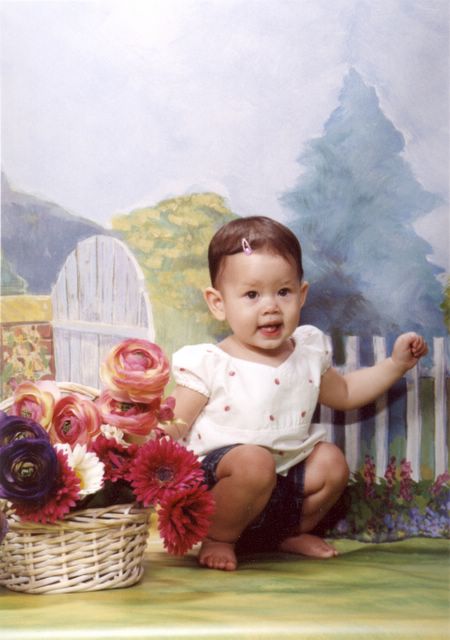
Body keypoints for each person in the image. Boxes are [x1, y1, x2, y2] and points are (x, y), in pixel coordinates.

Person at [164, 216, 428, 571]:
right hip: (223, 482)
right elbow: (174, 423)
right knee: (253, 462)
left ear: (302, 295)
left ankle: (288, 532)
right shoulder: (210, 362)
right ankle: (219, 537)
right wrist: (134, 439)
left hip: (284, 480)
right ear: (218, 303)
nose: (271, 306)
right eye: (252, 295)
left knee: (330, 461)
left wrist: (395, 365)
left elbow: (346, 392)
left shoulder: (307, 352)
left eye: (283, 292)